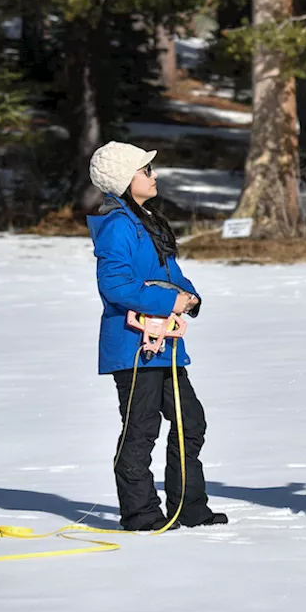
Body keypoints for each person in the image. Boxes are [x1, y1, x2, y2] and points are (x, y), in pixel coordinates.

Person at [86, 141, 226, 531]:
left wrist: (190, 297)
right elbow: (115, 285)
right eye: (146, 170)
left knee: (189, 421)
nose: (154, 175)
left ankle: (188, 507)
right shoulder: (117, 226)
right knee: (141, 427)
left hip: (166, 345)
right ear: (124, 180)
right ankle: (140, 512)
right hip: (133, 347)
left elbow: (171, 275)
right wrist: (168, 302)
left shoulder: (147, 222)